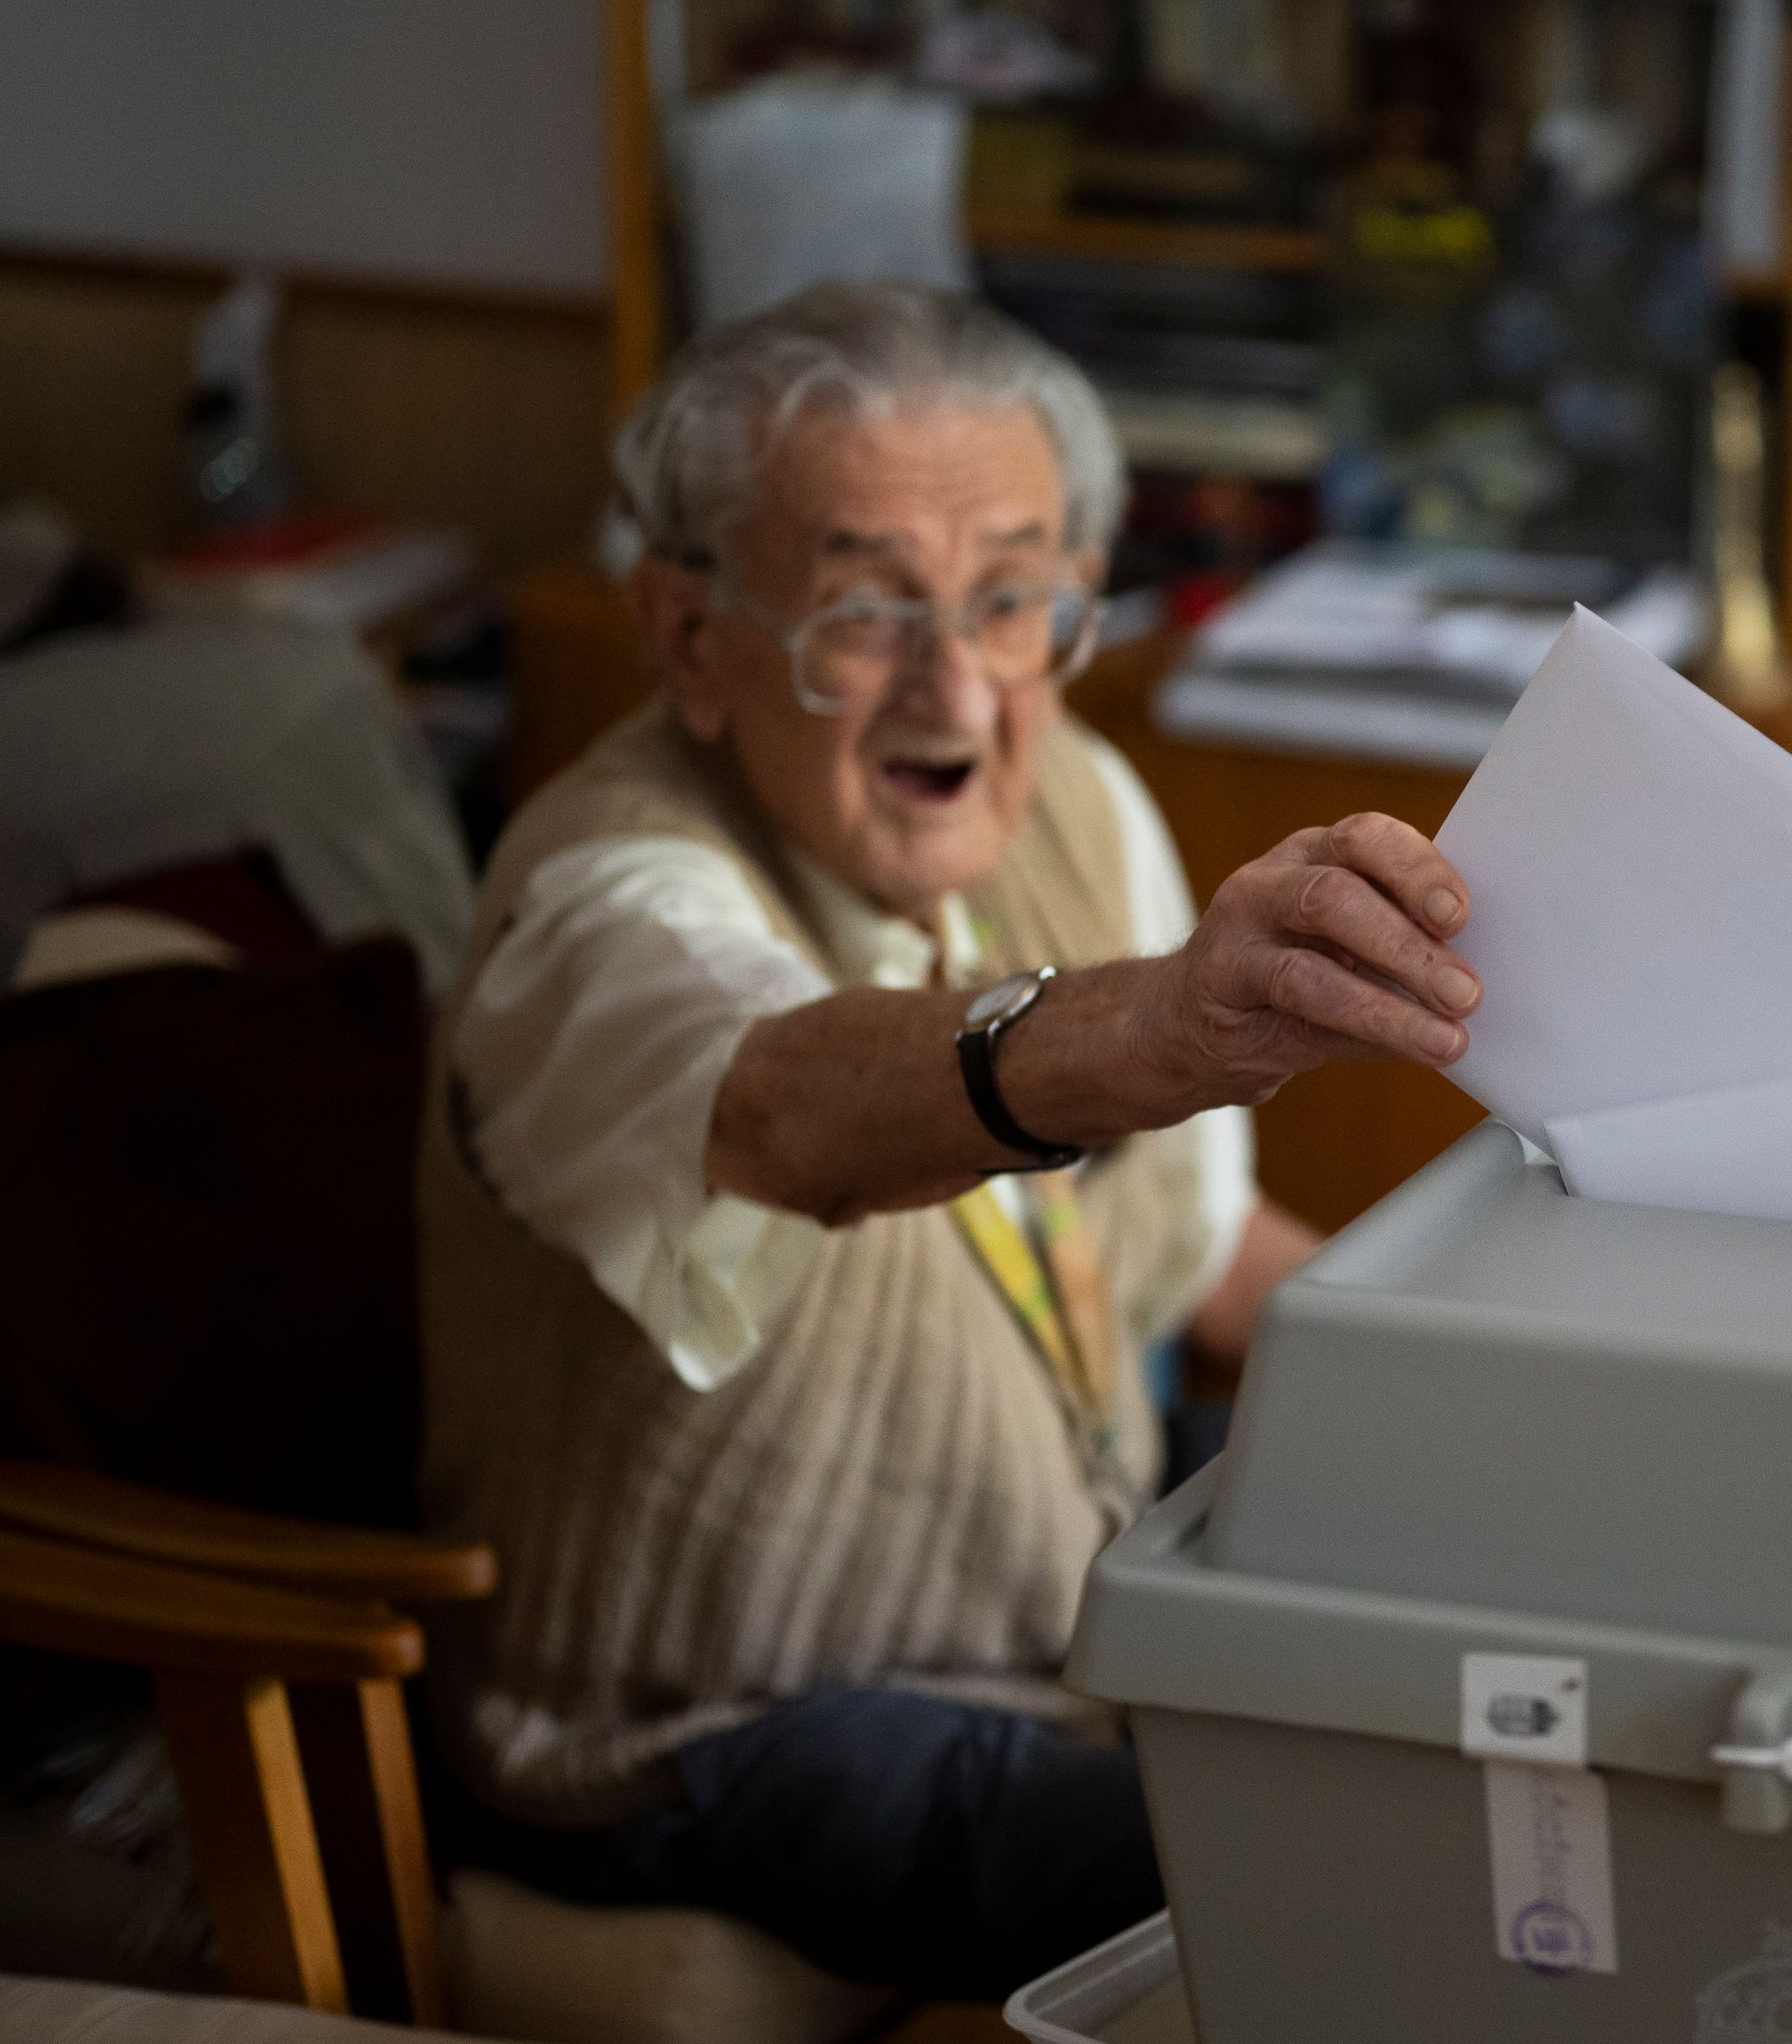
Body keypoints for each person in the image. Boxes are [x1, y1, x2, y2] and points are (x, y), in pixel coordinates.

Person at [417, 283, 1483, 1998]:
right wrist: (1141, 1032)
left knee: (1479, 1743)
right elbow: (772, 1095)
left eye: (1014, 602)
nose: (964, 688)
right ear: (688, 634)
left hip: (1065, 1633)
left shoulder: (1080, 803)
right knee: (1289, 1873)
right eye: (864, 608)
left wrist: (1519, 1388)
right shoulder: (598, 900)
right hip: (714, 1717)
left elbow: (1198, 1250)